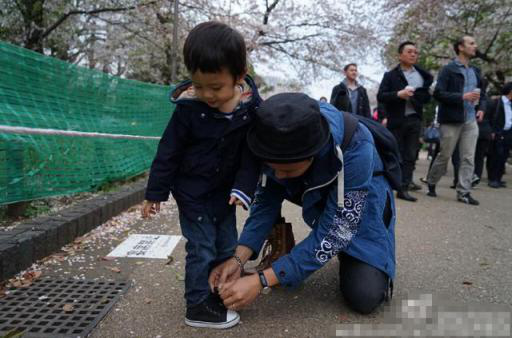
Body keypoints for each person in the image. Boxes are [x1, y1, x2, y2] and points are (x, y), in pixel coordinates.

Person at [209, 93, 396, 316]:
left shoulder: (357, 145)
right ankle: (293, 248)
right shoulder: (269, 137)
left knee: (364, 296)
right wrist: (237, 259)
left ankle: (344, 252)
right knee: (277, 193)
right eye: (272, 167)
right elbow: (265, 204)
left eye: (287, 170)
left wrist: (262, 281)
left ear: (314, 154)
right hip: (316, 187)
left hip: (363, 193)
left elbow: (338, 231)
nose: (278, 175)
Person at [141, 21, 262, 329]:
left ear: (238, 76)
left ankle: (219, 293)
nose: (207, 94)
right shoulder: (188, 110)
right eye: (199, 85)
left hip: (225, 194)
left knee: (226, 245)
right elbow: (168, 152)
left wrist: (244, 188)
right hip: (193, 193)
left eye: (216, 87)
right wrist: (155, 192)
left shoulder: (249, 111)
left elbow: (251, 156)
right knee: (202, 246)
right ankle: (197, 305)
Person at [426, 36, 486, 205]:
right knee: (445, 155)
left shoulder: (476, 71)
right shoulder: (448, 69)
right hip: (451, 119)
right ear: (460, 47)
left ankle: (464, 192)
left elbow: (483, 94)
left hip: (470, 119)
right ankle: (431, 181)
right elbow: (438, 93)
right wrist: (462, 97)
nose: (475, 46)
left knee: (468, 157)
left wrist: (481, 108)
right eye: (471, 43)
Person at [377, 41, 433, 202]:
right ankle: (389, 184)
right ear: (400, 55)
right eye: (409, 52)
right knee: (395, 153)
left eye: (415, 52)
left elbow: (427, 97)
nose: (413, 54)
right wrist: (398, 94)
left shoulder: (423, 76)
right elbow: (381, 96)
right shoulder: (391, 75)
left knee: (410, 155)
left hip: (415, 119)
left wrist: (419, 98)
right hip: (396, 120)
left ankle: (404, 187)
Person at [487, 82, 512, 188]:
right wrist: (492, 131)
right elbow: (489, 117)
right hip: (497, 133)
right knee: (495, 156)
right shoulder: (496, 102)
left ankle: (498, 178)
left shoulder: (511, 104)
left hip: (508, 133)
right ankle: (492, 179)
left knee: (504, 156)